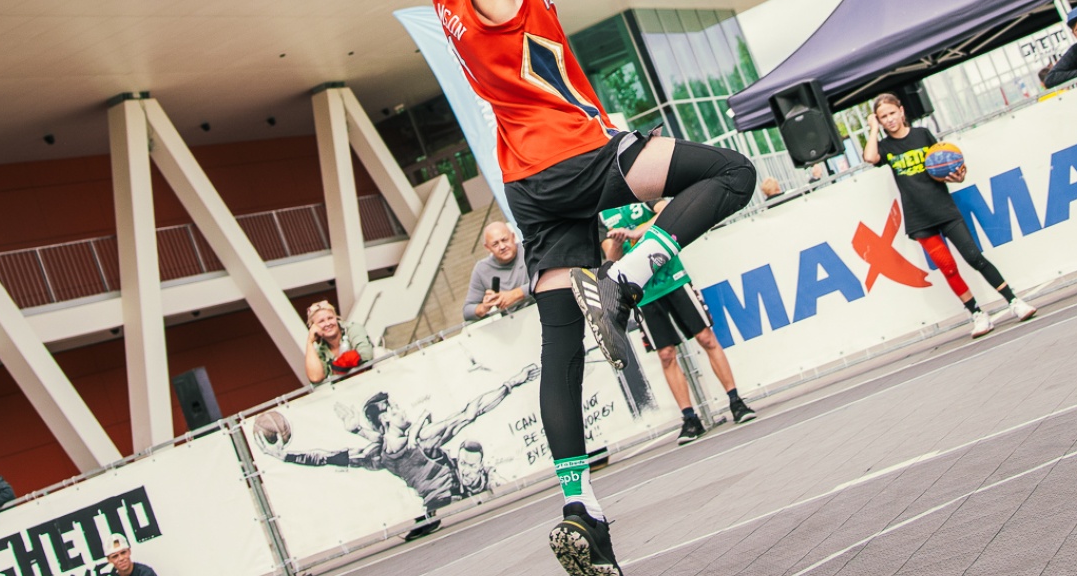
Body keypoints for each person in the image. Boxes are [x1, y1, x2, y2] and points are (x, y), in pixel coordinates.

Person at [428, 0, 760, 576]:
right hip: (574, 154)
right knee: (731, 173)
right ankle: (635, 272)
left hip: (529, 187)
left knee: (560, 345)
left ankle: (581, 509)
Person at [259, 368, 538, 541]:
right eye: (394, 409)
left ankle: (428, 521)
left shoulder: (378, 454)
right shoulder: (422, 440)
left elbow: (328, 457)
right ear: (386, 419)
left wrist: (286, 456)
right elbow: (470, 412)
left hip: (447, 501)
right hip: (454, 498)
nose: (401, 410)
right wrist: (511, 384)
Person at [862, 93, 1037, 335]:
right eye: (883, 117)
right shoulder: (885, 147)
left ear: (901, 111)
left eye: (892, 113)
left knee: (974, 257)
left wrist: (957, 176)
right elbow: (870, 157)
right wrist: (872, 128)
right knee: (949, 268)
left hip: (944, 210)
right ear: (878, 120)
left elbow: (944, 164)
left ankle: (1014, 301)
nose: (889, 119)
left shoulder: (922, 135)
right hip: (919, 220)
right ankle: (977, 314)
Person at [598, 198, 757, 442]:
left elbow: (666, 211)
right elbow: (611, 257)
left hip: (674, 276)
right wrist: (619, 243)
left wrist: (637, 232)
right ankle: (690, 418)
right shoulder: (601, 214)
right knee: (666, 354)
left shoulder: (638, 190)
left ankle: (735, 400)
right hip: (642, 291)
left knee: (706, 337)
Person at [461, 220, 530, 322]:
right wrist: (484, 307)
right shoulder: (481, 270)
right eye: (495, 244)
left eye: (504, 240)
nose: (502, 247)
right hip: (511, 323)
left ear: (513, 236)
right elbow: (467, 311)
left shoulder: (530, 250)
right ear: (487, 247)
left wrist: (516, 294)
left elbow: (549, 281)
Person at [301, 299, 375, 384]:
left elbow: (366, 355)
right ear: (313, 327)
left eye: (330, 318)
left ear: (336, 318)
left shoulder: (353, 329)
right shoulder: (320, 351)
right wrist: (309, 342)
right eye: (321, 321)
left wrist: (338, 367)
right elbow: (315, 378)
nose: (328, 323)